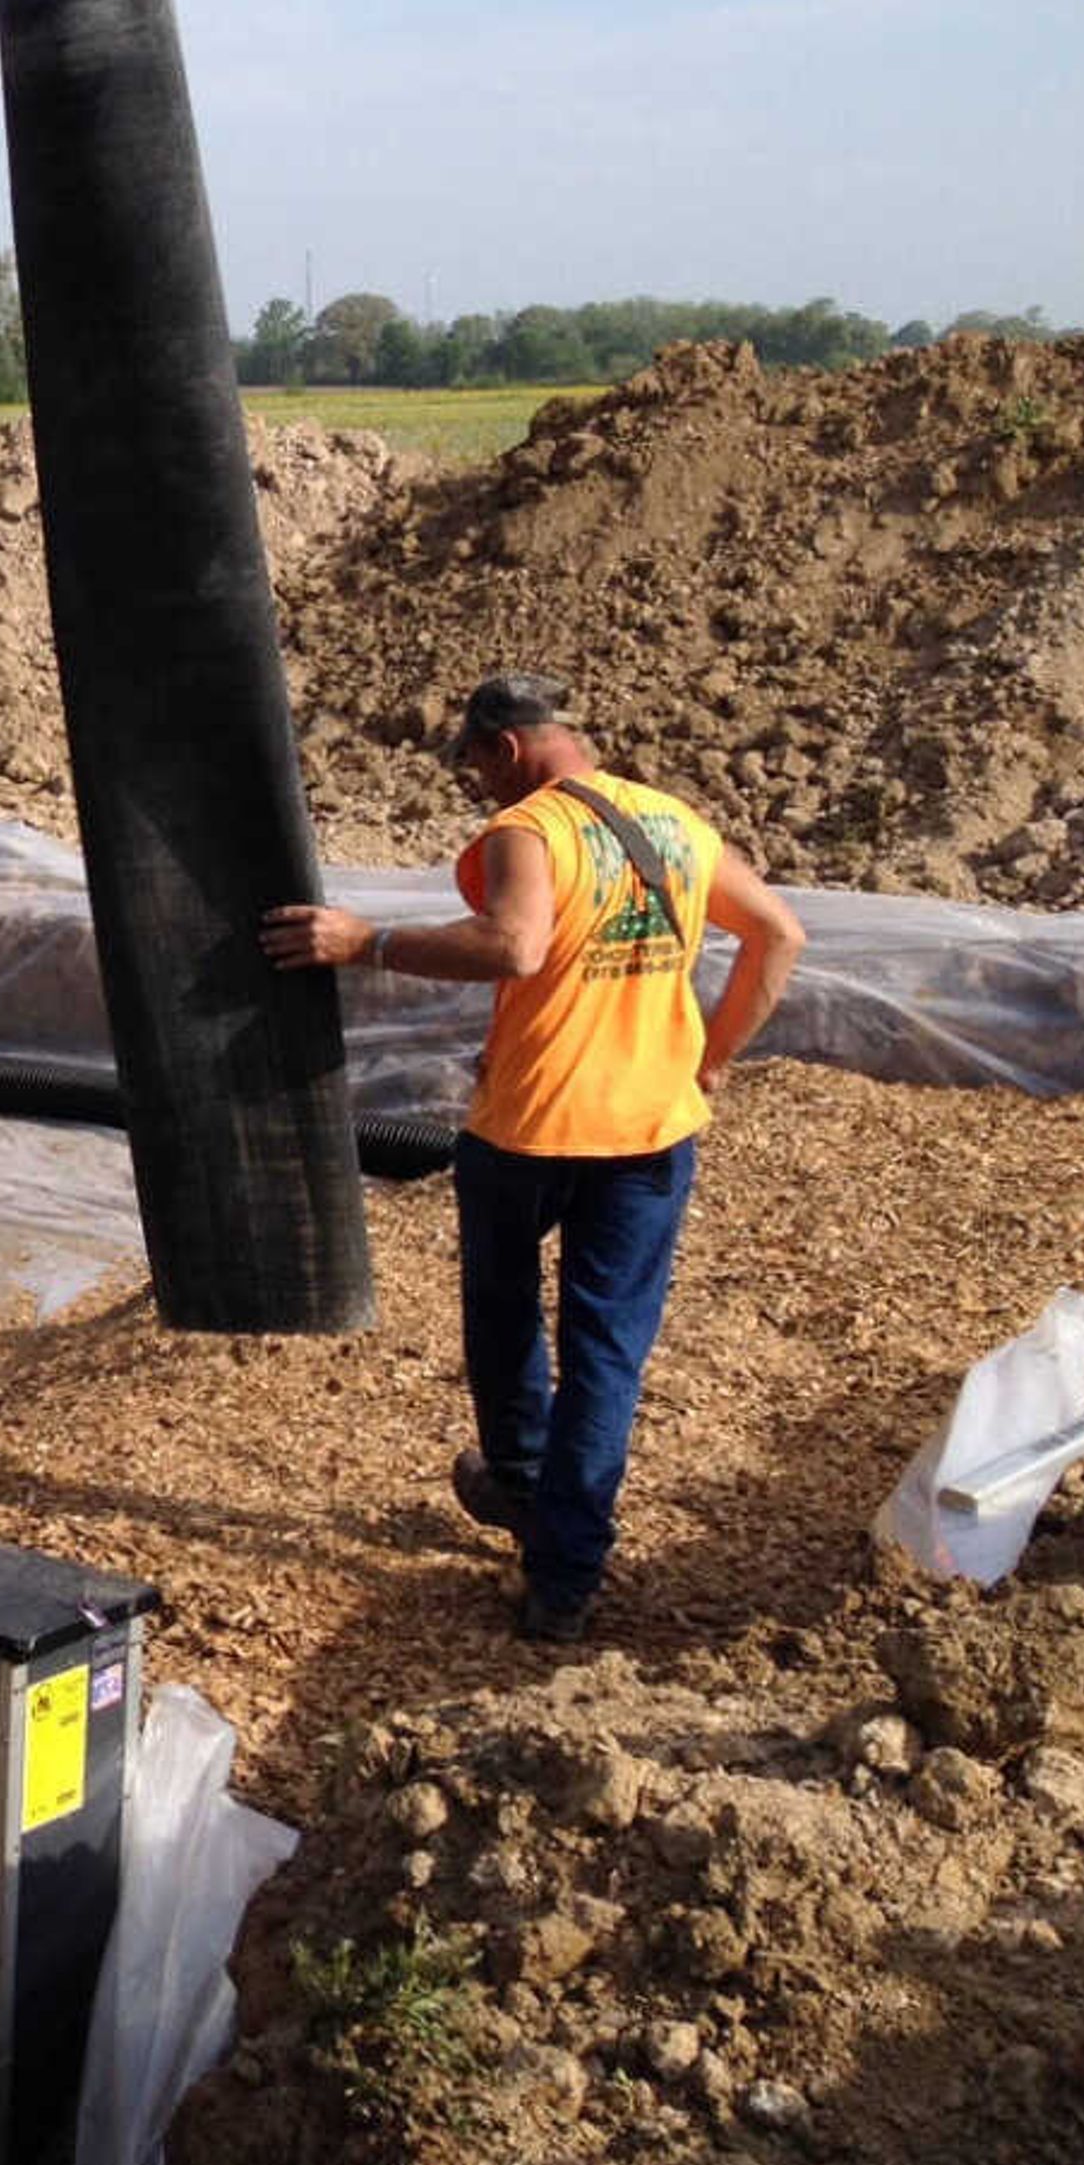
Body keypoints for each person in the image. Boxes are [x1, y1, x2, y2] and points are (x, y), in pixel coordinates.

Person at [261, 673, 805, 1642]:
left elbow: (513, 947)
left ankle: (519, 1484)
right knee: (607, 1351)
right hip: (651, 1131)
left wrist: (365, 941)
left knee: (507, 1313)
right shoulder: (674, 822)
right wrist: (711, 1059)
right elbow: (779, 936)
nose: (474, 784)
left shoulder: (530, 830)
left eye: (472, 762)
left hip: (532, 1127)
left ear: (505, 748)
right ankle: (563, 1579)